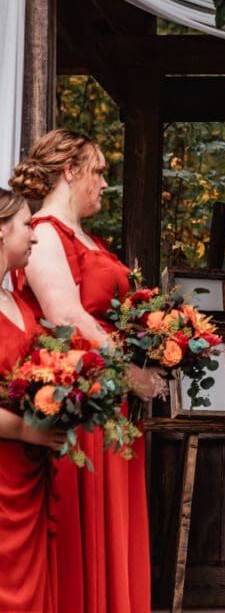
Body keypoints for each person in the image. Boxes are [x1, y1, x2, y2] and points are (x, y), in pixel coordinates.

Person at [10, 129, 151, 613]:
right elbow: (66, 316)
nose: (105, 183)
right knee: (83, 533)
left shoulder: (91, 239)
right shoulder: (46, 232)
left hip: (111, 400)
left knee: (117, 530)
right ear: (70, 171)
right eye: (99, 171)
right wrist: (131, 373)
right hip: (82, 400)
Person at [0, 188, 66, 613]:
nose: (35, 235)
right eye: (27, 225)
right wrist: (26, 430)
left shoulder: (19, 301)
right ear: (1, 230)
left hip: (29, 477)